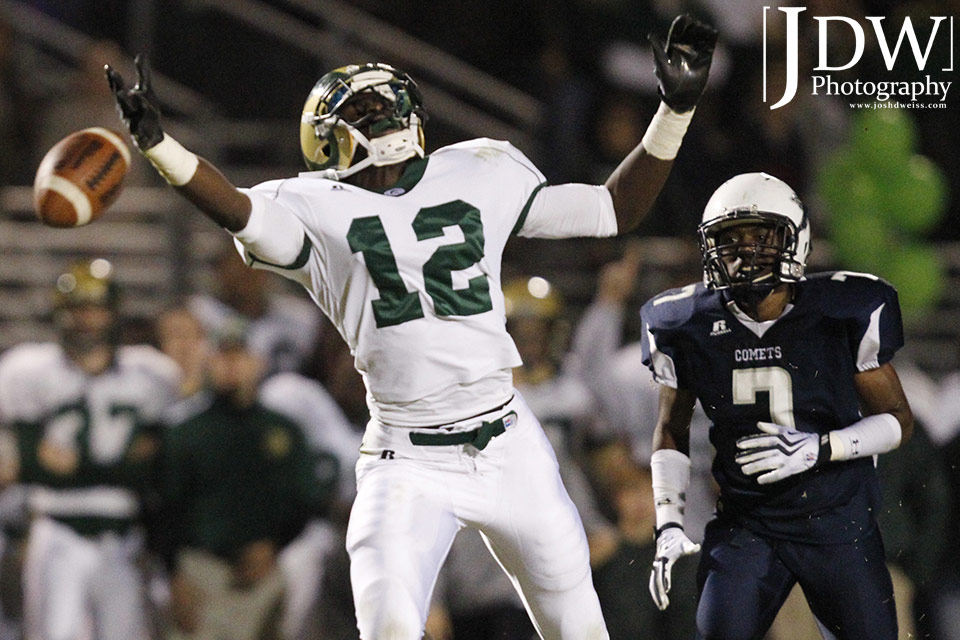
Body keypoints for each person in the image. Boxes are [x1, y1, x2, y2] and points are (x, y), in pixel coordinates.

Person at [105, 14, 717, 639]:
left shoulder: (477, 169)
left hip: (506, 441)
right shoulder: (319, 206)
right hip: (407, 458)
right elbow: (238, 211)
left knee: (579, 627)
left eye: (368, 112)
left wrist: (674, 111)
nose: (366, 123)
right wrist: (160, 146)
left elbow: (613, 208)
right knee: (388, 623)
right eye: (355, 116)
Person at [640, 172, 915, 639]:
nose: (744, 252)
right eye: (731, 239)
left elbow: (898, 422)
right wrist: (667, 523)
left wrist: (819, 448)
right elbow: (671, 428)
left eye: (760, 237)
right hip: (747, 522)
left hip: (836, 520)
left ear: (795, 239)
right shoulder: (685, 323)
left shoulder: (842, 310)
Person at [0, 259, 180, 640]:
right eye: (78, 309)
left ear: (114, 313)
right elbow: (32, 464)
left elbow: (153, 469)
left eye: (96, 308)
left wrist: (71, 466)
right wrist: (121, 465)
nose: (87, 320)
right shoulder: (30, 371)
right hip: (56, 527)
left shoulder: (151, 375)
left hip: (126, 534)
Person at [160, 326, 337, 640]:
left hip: (266, 574)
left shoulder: (283, 431)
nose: (231, 365)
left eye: (239, 355)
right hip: (201, 572)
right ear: (209, 362)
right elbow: (164, 508)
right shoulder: (187, 433)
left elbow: (305, 497)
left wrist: (275, 544)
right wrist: (174, 574)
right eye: (222, 356)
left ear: (258, 362)